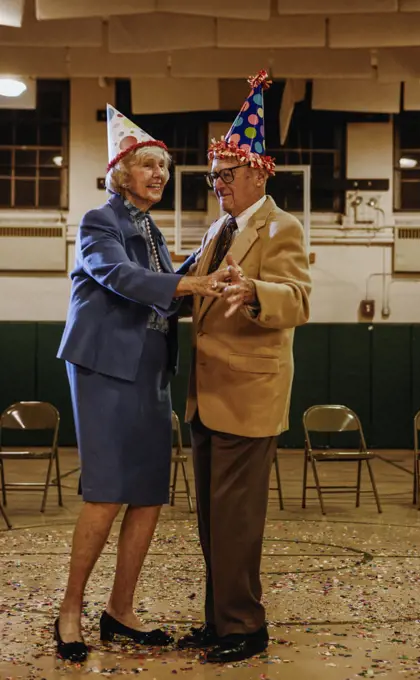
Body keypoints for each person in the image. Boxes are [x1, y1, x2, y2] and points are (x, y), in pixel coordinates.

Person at [55, 105, 227, 662]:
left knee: (150, 495)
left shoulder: (151, 228)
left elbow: (169, 280)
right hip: (105, 367)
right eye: (149, 164)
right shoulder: (99, 221)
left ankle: (120, 610)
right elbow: (120, 277)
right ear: (121, 172)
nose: (159, 174)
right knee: (106, 493)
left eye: (165, 168)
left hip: (151, 372)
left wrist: (212, 256)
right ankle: (70, 610)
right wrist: (194, 280)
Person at [177, 71, 311, 663]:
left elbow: (299, 300)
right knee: (212, 522)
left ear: (258, 171)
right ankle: (220, 619)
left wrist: (253, 289)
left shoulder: (283, 227)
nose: (216, 187)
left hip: (248, 395)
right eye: (212, 177)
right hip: (208, 394)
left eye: (225, 176)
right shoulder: (217, 229)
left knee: (235, 524)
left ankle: (244, 628)